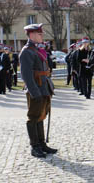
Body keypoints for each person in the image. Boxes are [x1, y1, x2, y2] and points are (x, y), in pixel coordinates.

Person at [19, 23, 57, 158]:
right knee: (33, 117)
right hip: (35, 89)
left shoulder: (37, 50)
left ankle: (41, 144)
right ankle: (34, 146)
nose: (42, 36)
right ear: (32, 35)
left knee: (41, 116)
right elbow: (26, 75)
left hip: (43, 87)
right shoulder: (27, 51)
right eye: (39, 34)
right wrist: (35, 93)